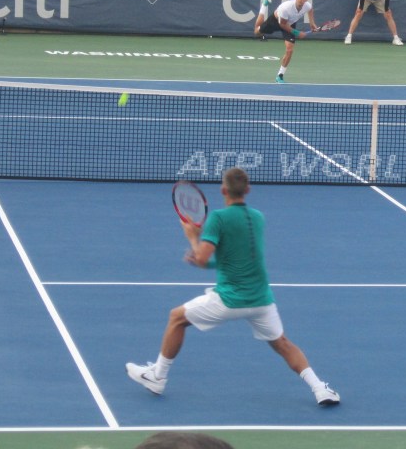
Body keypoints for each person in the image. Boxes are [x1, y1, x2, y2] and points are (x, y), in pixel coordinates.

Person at [126, 166, 340, 406]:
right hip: (261, 300)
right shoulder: (258, 218)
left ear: (222, 190)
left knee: (177, 317)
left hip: (230, 299)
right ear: (247, 190)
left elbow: (203, 258)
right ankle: (321, 389)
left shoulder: (218, 218)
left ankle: (157, 376)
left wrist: (193, 236)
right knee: (282, 344)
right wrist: (201, 259)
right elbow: (229, 261)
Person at [254, 0, 320, 82]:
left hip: (290, 23)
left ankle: (280, 75)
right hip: (276, 21)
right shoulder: (286, 8)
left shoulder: (307, 5)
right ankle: (264, 4)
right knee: (257, 32)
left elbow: (310, 10)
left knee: (290, 49)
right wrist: (297, 33)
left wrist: (312, 23)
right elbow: (283, 25)